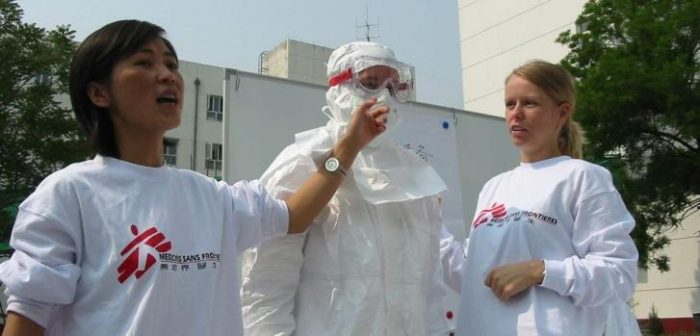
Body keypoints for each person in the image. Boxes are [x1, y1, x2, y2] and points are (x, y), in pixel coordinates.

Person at [0, 20, 388, 336]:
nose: (167, 76)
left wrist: (349, 146)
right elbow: (29, 318)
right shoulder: (70, 194)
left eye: (171, 65)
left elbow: (295, 215)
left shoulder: (211, 197)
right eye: (144, 63)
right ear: (99, 92)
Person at [240, 41, 451, 336]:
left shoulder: (412, 175)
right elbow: (266, 284)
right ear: (339, 89)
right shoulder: (301, 165)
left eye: (393, 86)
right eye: (370, 83)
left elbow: (429, 286)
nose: (383, 98)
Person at [441, 60, 639, 335]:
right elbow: (472, 274)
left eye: (529, 103)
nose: (516, 114)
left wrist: (541, 271)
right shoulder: (494, 187)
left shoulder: (583, 177)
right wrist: (427, 221)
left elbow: (620, 275)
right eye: (510, 104)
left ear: (562, 112)